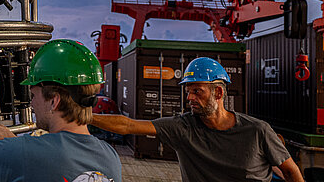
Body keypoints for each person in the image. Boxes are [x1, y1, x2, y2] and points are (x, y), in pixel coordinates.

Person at [91, 57, 303, 182]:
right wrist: (86, 116)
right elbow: (128, 125)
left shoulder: (257, 131)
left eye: (197, 91)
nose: (190, 97)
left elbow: (290, 171)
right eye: (188, 91)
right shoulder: (182, 128)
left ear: (218, 93)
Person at [0, 39, 122, 182]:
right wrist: (15, 145)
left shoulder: (23, 152)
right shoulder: (110, 156)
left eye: (34, 96)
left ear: (54, 101)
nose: (32, 105)